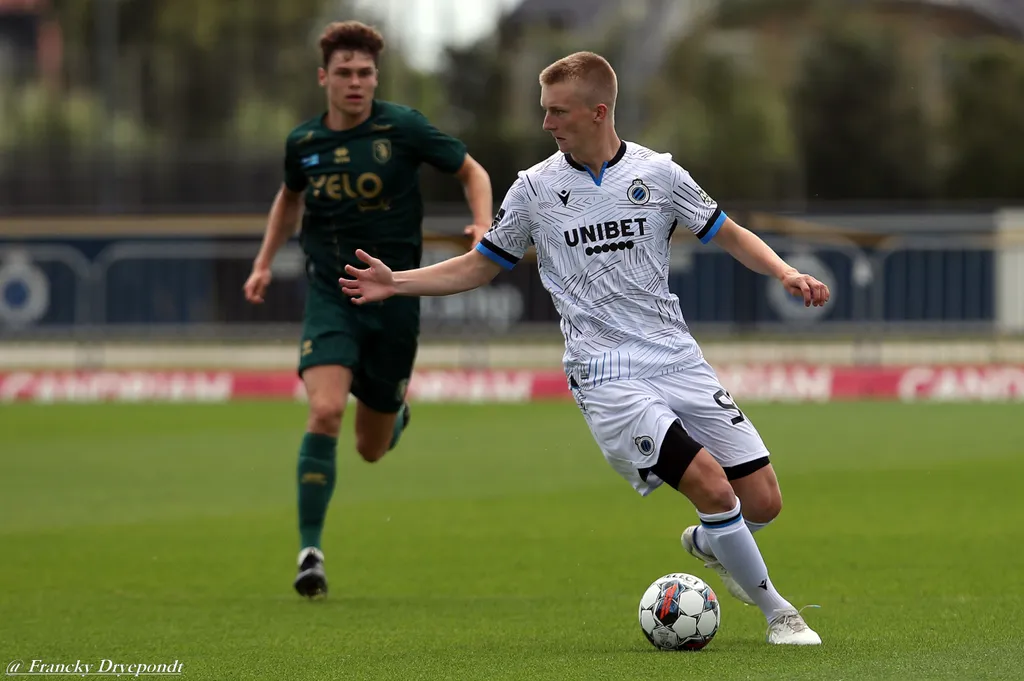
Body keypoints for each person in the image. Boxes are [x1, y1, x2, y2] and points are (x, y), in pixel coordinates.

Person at [338, 51, 828, 644]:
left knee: (763, 502)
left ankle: (708, 541)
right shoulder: (535, 190)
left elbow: (728, 233)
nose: (546, 123)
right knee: (711, 484)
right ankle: (780, 613)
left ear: (598, 112)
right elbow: (479, 266)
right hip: (605, 373)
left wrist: (783, 272)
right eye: (544, 111)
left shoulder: (660, 174)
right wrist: (398, 283)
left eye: (557, 111)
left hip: (676, 357)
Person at [243, 20, 494, 600]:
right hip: (331, 295)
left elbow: (471, 171)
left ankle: (395, 412)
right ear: (324, 77)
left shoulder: (401, 127)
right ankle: (310, 552)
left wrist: (483, 223)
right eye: (346, 73)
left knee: (370, 449)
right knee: (325, 411)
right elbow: (289, 199)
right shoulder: (303, 143)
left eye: (366, 73)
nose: (356, 82)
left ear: (374, 77)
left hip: (397, 296)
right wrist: (262, 262)